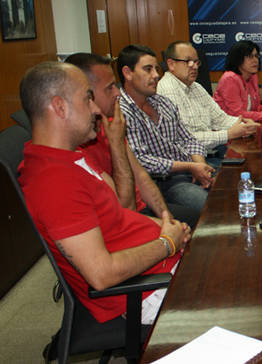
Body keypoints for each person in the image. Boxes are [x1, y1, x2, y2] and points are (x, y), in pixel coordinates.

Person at [18, 61, 190, 324]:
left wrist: (168, 227)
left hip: (158, 264)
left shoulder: (71, 156)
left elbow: (120, 216)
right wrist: (167, 243)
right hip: (145, 291)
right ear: (60, 107)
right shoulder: (53, 182)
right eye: (88, 99)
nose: (97, 109)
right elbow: (102, 274)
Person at [65, 52, 200, 227]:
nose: (117, 93)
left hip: (144, 208)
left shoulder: (111, 122)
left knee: (203, 220)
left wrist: (167, 220)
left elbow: (142, 178)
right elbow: (123, 211)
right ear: (86, 95)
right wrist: (166, 235)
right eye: (110, 87)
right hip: (126, 220)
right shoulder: (78, 143)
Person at [118, 44, 211, 217]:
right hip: (159, 183)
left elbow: (189, 140)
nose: (156, 75)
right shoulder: (120, 112)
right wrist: (191, 166)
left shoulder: (163, 103)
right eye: (148, 69)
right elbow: (141, 161)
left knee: (231, 191)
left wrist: (200, 166)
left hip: (188, 172)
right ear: (127, 73)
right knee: (211, 208)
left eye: (156, 69)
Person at [157, 41, 259, 167]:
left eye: (196, 62)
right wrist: (228, 134)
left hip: (211, 151)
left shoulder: (196, 87)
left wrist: (244, 125)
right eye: (188, 61)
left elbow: (220, 118)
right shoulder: (167, 90)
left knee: (253, 160)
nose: (194, 66)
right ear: (171, 64)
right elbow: (186, 139)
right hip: (188, 162)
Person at [213, 40, 262, 121]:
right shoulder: (229, 79)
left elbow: (255, 108)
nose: (255, 60)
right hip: (225, 127)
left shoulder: (252, 76)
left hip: (245, 124)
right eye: (250, 57)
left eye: (256, 56)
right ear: (238, 59)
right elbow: (237, 114)